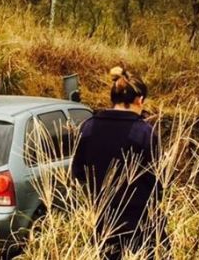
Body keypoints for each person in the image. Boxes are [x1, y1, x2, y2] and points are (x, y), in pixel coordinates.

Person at [71, 66, 167, 259]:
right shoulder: (143, 133)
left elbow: (78, 173)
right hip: (138, 222)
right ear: (139, 100)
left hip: (101, 219)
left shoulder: (88, 128)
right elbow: (158, 181)